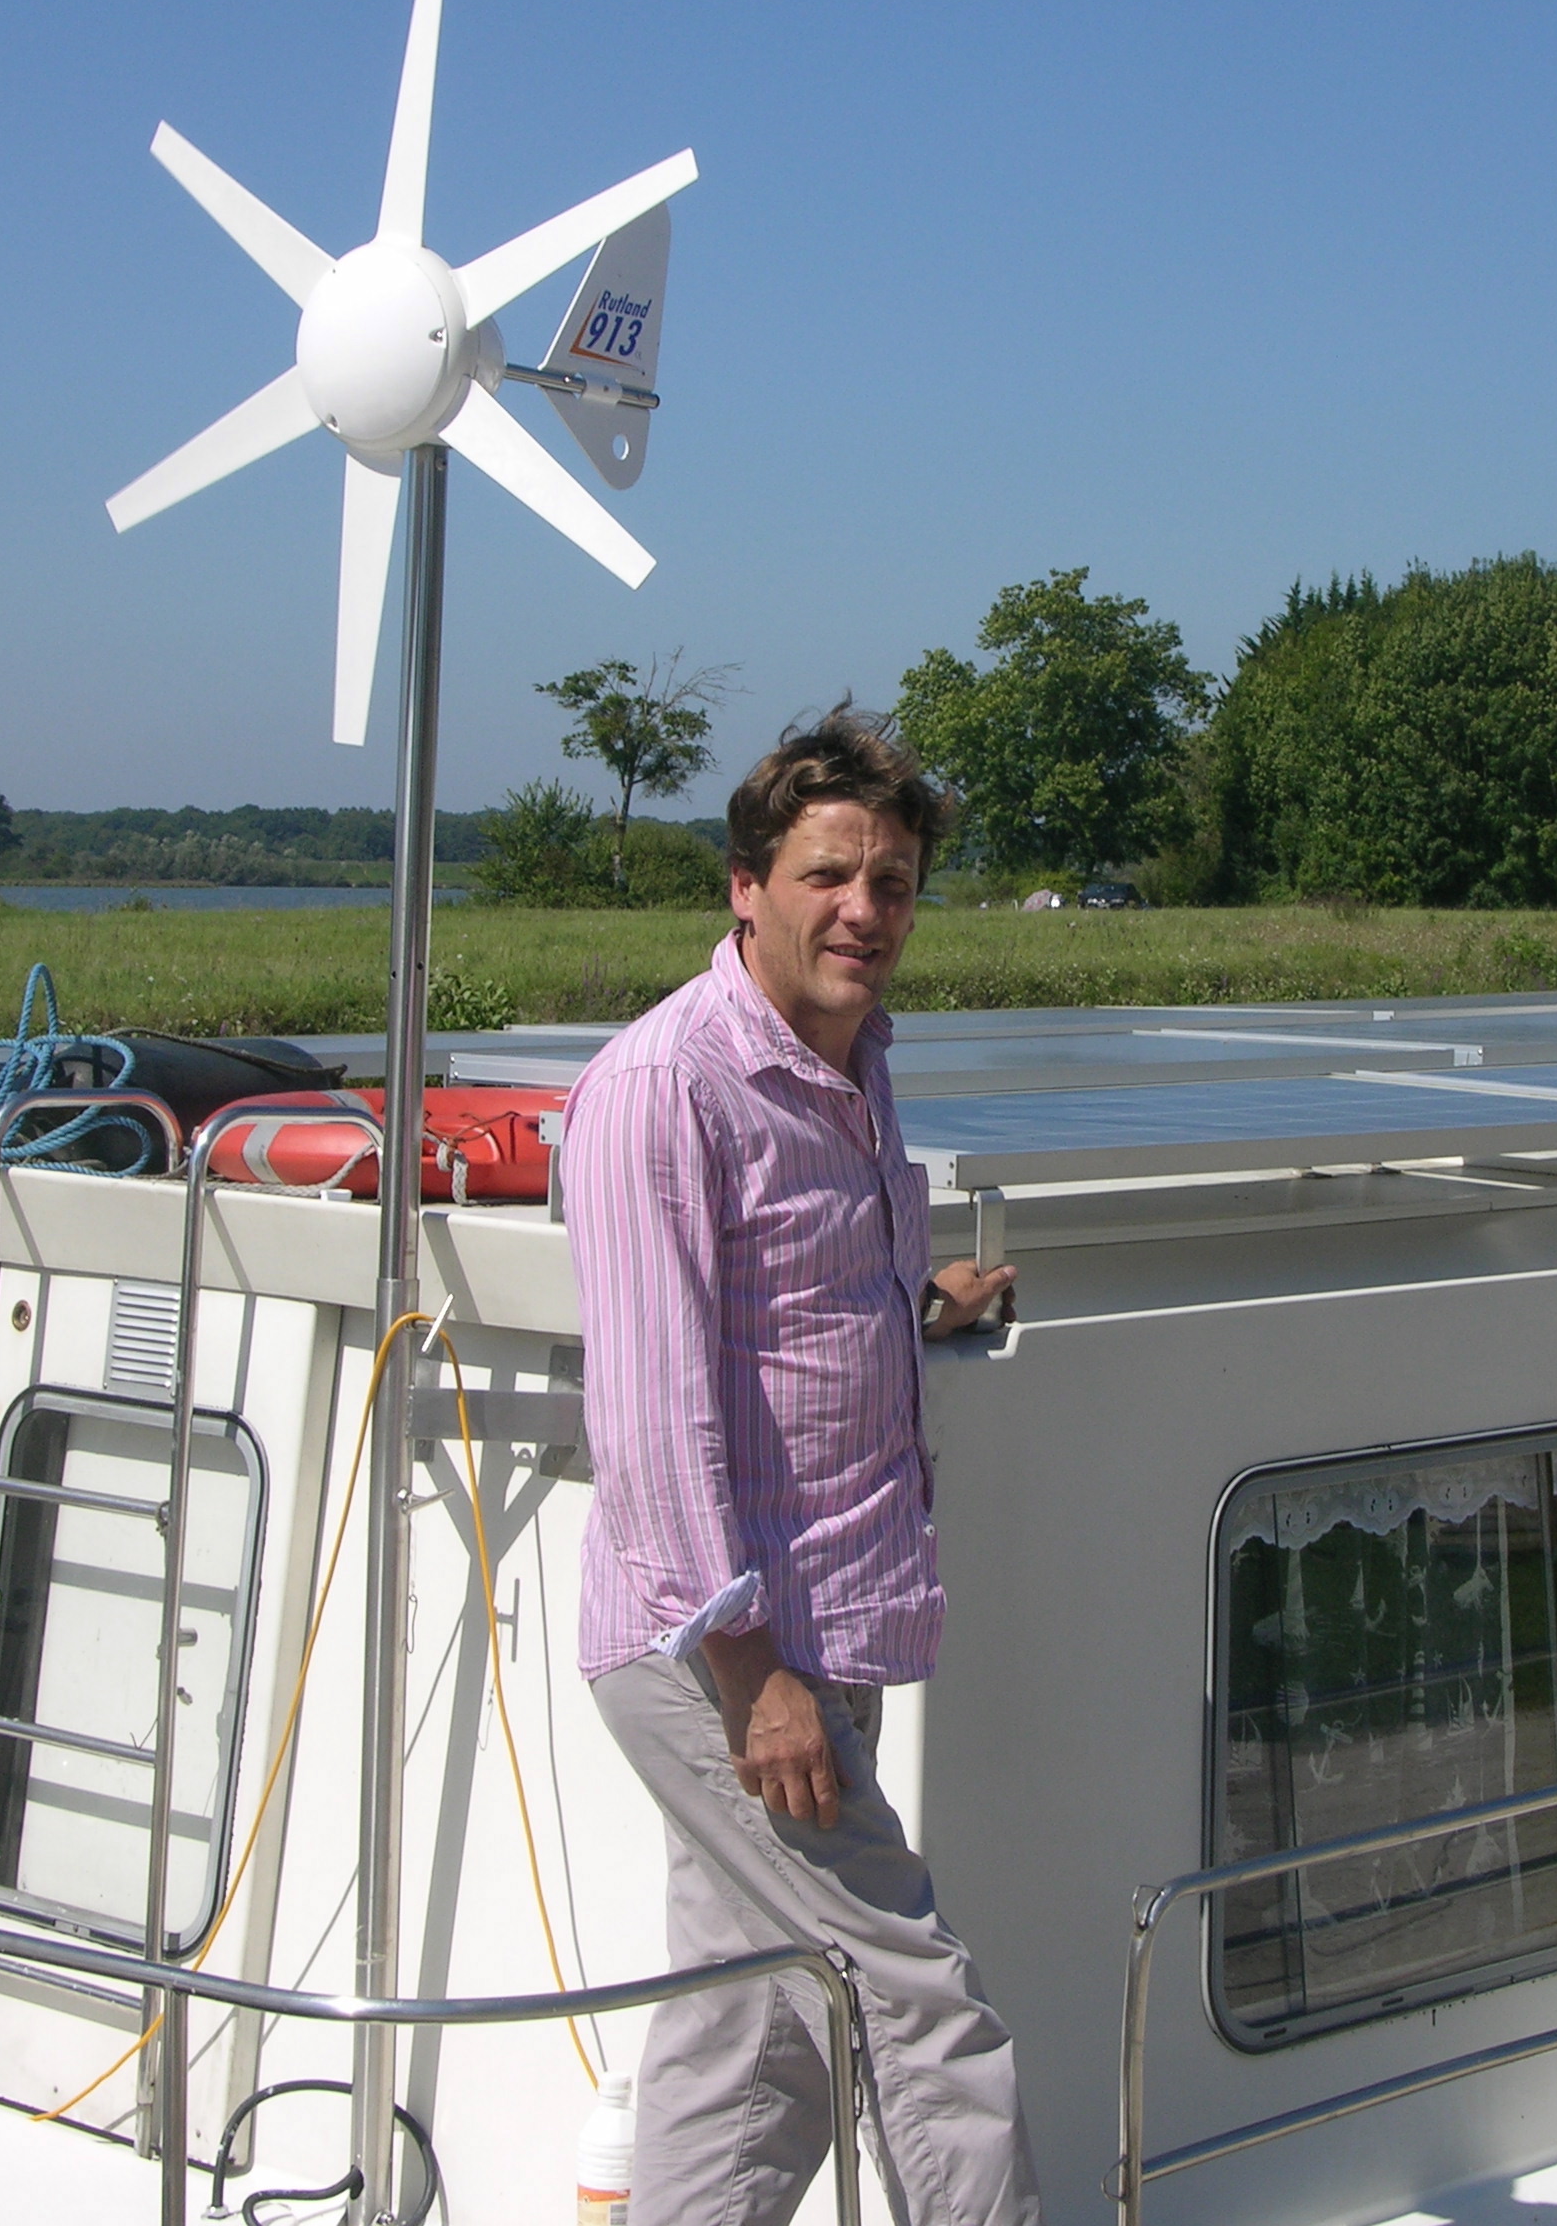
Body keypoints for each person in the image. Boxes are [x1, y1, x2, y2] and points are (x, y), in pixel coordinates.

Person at [563, 707, 1040, 2226]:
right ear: (746, 887)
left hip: (824, 1625)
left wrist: (919, 1305)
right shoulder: (669, 1086)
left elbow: (791, 1313)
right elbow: (648, 1424)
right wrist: (750, 1668)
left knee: (753, 2032)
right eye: (832, 874)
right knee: (920, 2003)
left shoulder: (850, 1060)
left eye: (894, 884)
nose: (865, 912)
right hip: (727, 1641)